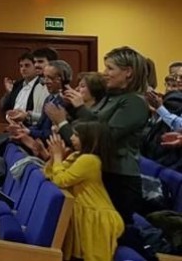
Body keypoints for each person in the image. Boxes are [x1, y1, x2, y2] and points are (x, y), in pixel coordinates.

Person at [62, 46, 149, 225]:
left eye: (110, 68)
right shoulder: (110, 97)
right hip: (103, 172)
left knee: (116, 233)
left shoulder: (134, 102)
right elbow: (84, 127)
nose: (105, 73)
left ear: (128, 72)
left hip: (120, 178)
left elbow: (106, 135)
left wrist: (80, 108)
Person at [44, 123, 125, 261]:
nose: (71, 138)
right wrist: (54, 157)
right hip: (85, 214)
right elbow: (50, 175)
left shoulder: (90, 160)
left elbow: (61, 180)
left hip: (97, 218)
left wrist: (57, 157)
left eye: (76, 135)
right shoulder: (77, 156)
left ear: (89, 138)